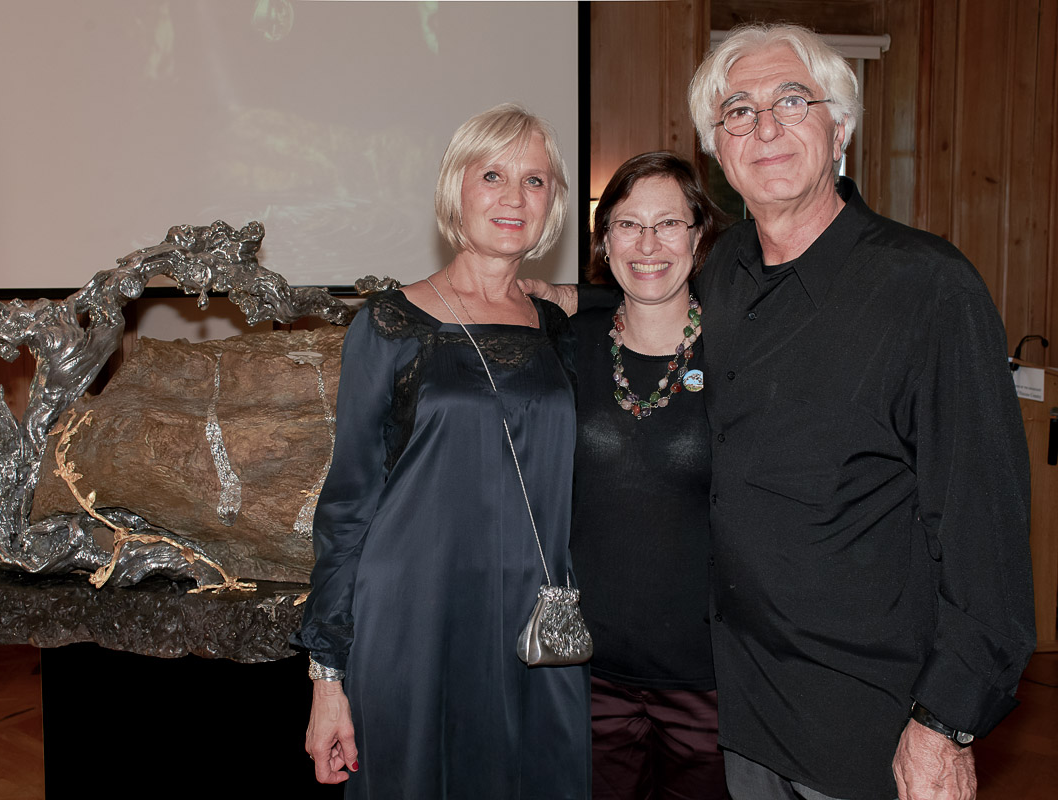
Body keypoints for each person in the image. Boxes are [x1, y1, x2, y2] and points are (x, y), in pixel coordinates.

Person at [683, 23, 1035, 800]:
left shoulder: (928, 290)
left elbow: (987, 539)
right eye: (737, 110)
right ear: (718, 146)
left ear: (839, 126)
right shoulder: (719, 279)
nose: (764, 126)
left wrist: (946, 725)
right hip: (741, 712)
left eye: (791, 100)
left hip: (869, 729)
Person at [291, 103, 591, 799]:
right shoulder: (391, 323)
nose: (514, 197)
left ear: (556, 206)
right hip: (413, 626)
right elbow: (348, 505)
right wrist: (327, 678)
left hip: (539, 630)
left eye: (536, 181)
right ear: (456, 190)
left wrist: (575, 292)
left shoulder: (557, 328)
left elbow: (660, 287)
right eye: (492, 174)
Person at [568, 152, 728, 800]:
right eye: (629, 225)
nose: (649, 244)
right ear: (605, 242)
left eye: (668, 224)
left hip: (709, 683)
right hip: (586, 674)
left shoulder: (741, 353)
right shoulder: (567, 343)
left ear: (698, 235)